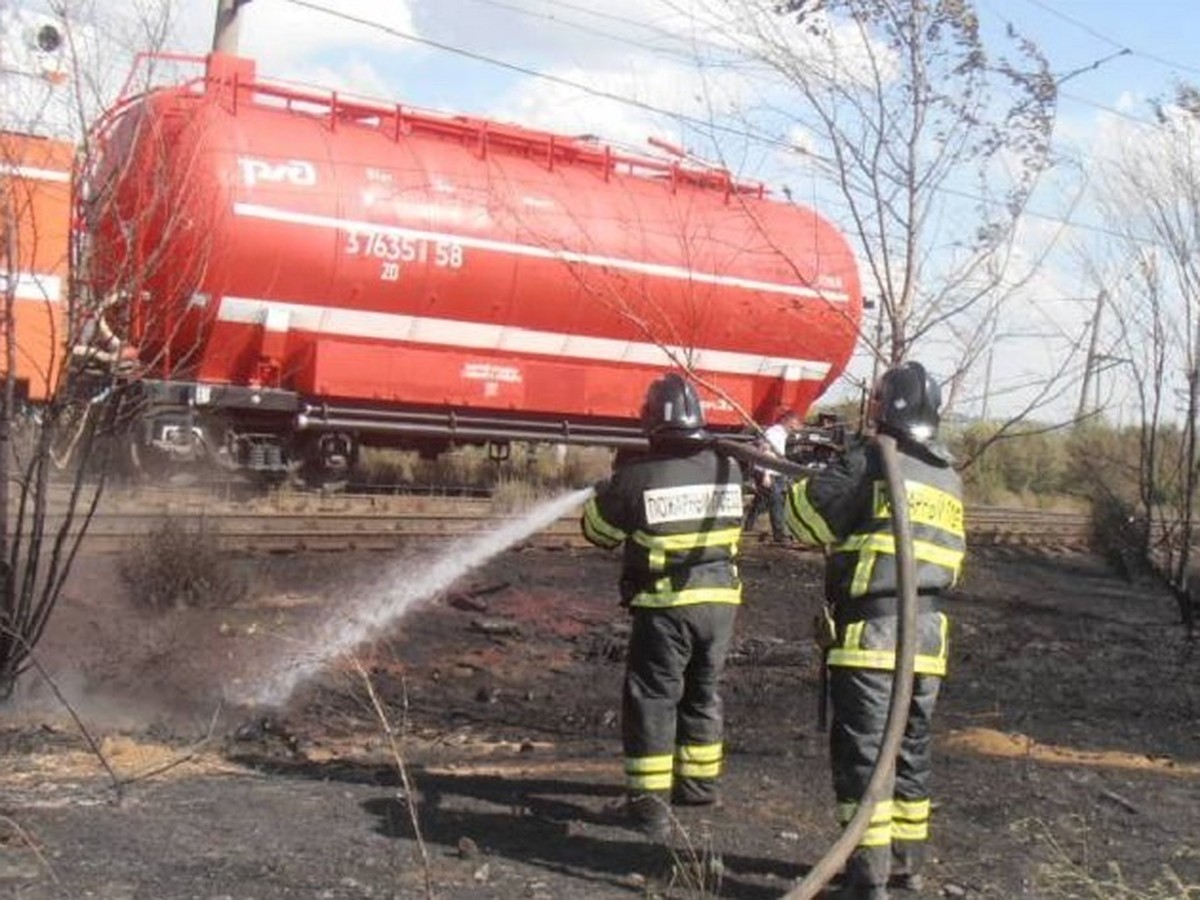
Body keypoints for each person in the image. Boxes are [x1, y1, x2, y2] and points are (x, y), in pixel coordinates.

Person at [784, 361, 965, 900]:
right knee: (909, 755)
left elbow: (804, 520)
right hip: (928, 641)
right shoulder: (947, 473)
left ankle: (866, 880)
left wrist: (810, 472)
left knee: (866, 758)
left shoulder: (871, 462)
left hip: (873, 640)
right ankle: (905, 869)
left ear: (884, 407)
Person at [581, 372, 745, 838]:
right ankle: (698, 787)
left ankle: (650, 808)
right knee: (703, 690)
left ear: (650, 420)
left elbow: (598, 533)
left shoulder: (637, 477)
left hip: (667, 605)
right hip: (721, 604)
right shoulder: (728, 468)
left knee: (653, 699)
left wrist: (604, 491)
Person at [743, 409, 801, 542]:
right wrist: (766, 475)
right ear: (788, 423)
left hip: (775, 472)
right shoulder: (774, 433)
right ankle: (780, 535)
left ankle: (748, 526)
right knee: (777, 501)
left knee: (762, 501)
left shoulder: (782, 434)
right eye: (794, 426)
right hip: (767, 472)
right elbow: (766, 454)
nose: (794, 430)